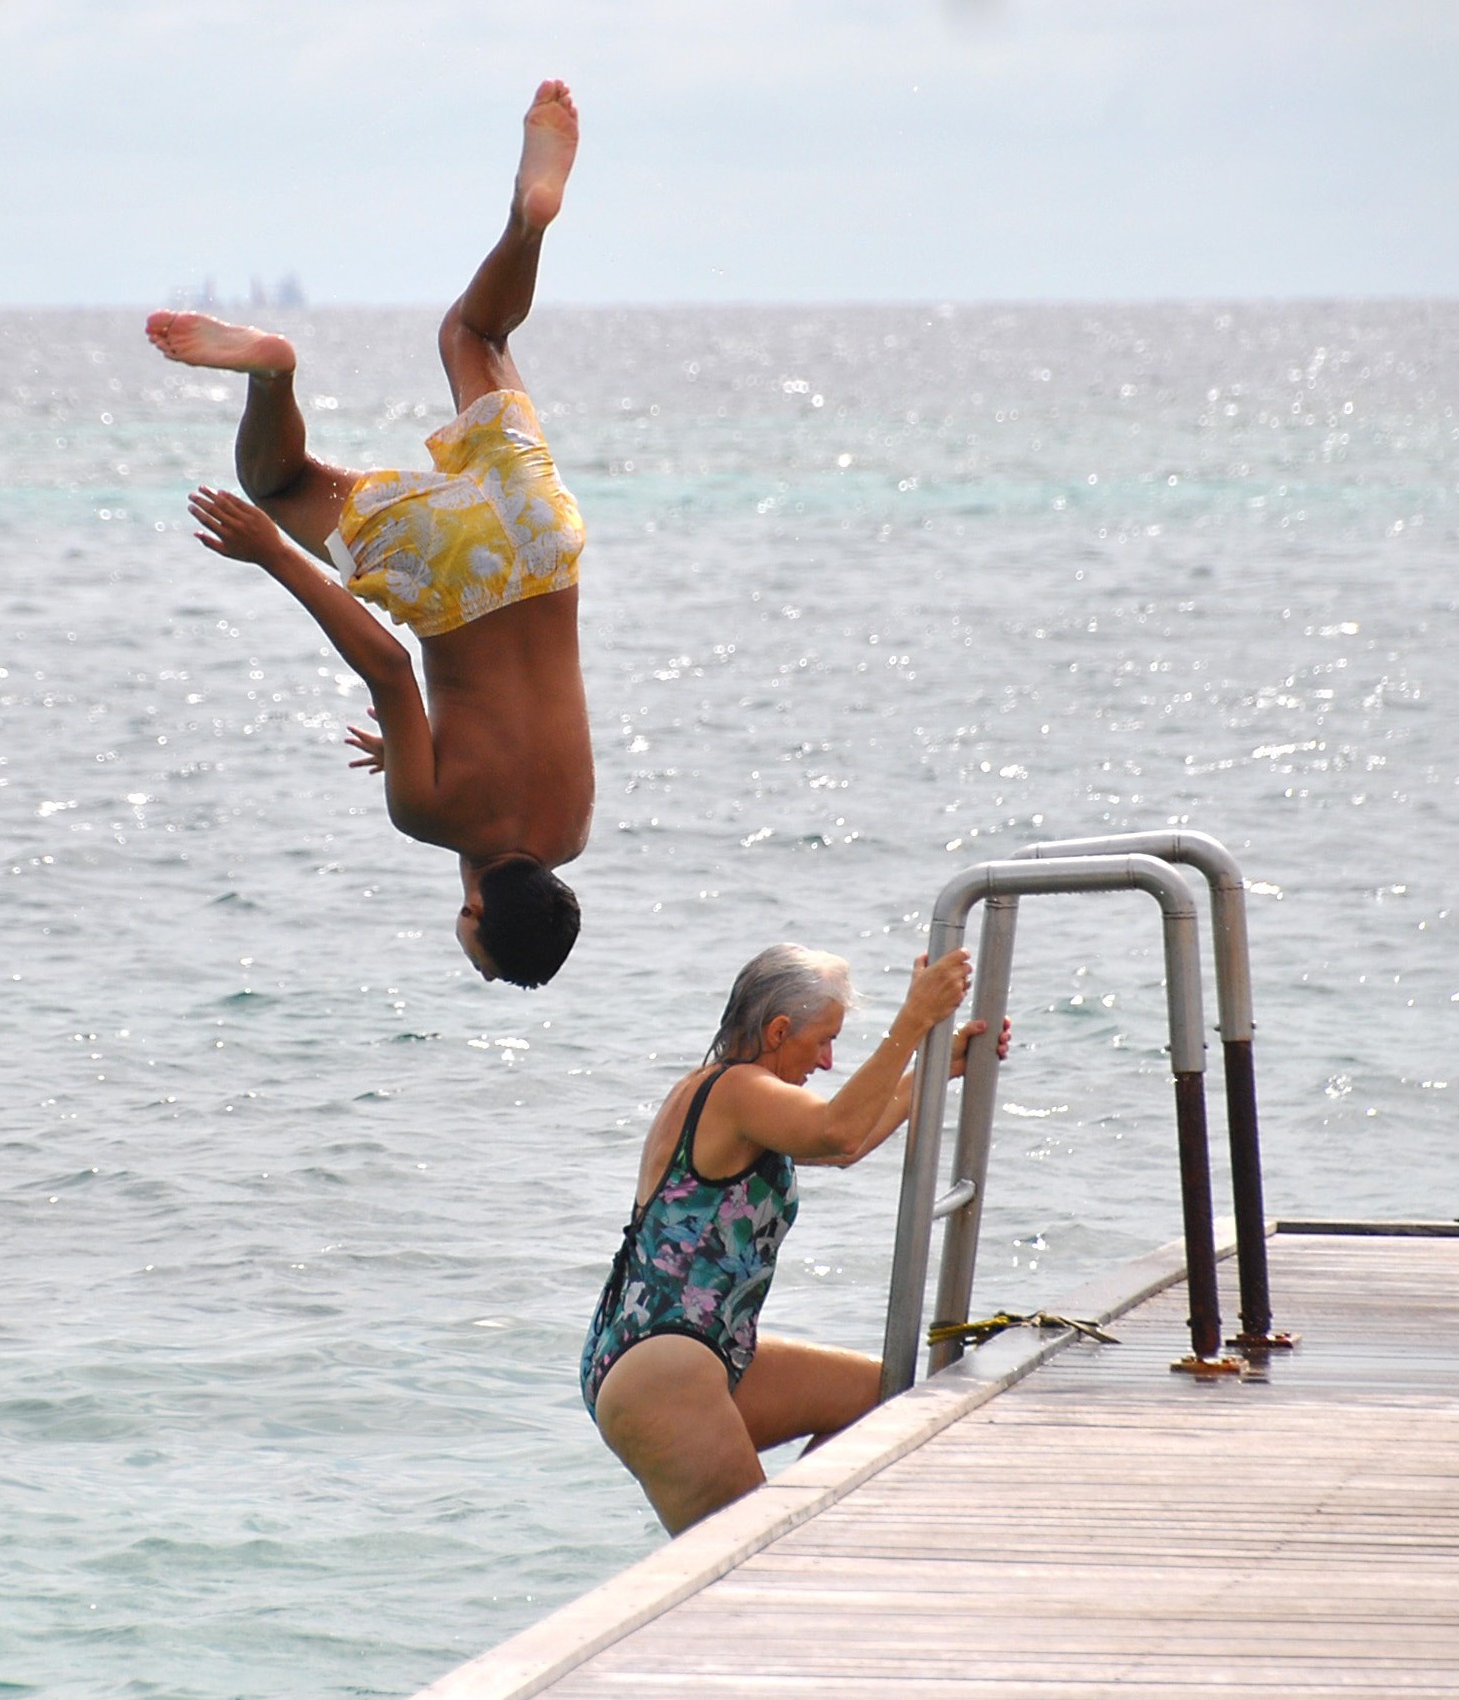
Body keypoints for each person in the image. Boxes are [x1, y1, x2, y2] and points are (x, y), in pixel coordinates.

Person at [144, 80, 590, 988]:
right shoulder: (431, 816)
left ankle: (529, 220)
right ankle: (274, 374)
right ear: (475, 909)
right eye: (466, 932)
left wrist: (422, 750)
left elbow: (509, 723)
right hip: (454, 576)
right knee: (277, 483)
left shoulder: (572, 829)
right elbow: (388, 668)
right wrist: (271, 553)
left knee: (475, 332)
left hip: (545, 548)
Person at [581, 943, 1011, 1534]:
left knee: (879, 1395)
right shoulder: (737, 1090)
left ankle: (808, 1532)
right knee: (747, 1567)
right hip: (664, 1364)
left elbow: (847, 1142)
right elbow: (836, 1130)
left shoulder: (735, 1094)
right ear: (779, 1030)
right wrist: (913, 1021)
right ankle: (795, 1545)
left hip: (694, 1349)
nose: (829, 1061)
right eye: (823, 1040)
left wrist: (939, 1067)